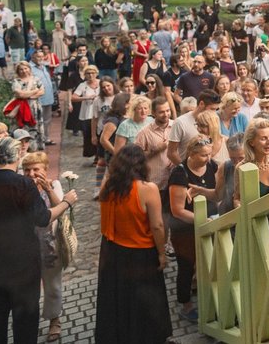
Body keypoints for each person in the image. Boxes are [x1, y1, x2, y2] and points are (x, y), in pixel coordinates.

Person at [0, 137, 77, 344]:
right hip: (24, 263)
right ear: (15, 157)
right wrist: (66, 202)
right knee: (25, 318)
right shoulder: (22, 184)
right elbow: (42, 218)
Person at [96, 144, 172, 343]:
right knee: (144, 301)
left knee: (116, 298)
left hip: (111, 251)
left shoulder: (107, 187)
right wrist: (162, 253)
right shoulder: (147, 189)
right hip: (140, 253)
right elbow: (157, 225)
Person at [168, 135, 219, 321]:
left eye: (210, 154)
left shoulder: (212, 166)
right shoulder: (179, 174)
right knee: (186, 265)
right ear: (191, 153)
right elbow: (177, 210)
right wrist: (202, 219)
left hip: (209, 221)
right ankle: (185, 305)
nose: (208, 158)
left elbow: (217, 193)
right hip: (185, 230)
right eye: (204, 155)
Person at [20, 152, 67, 342]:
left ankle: (54, 320)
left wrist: (48, 190)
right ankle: (27, 321)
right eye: (27, 170)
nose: (31, 173)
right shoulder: (20, 188)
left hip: (49, 243)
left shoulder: (54, 185)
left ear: (45, 170)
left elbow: (61, 208)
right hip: (25, 245)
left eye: (35, 169)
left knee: (52, 285)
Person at [233, 119, 269, 233]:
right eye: (263, 138)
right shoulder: (242, 167)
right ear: (251, 142)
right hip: (259, 229)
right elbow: (237, 199)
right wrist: (242, 210)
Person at [10, 61, 46, 150]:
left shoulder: (36, 79)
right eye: (21, 69)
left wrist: (26, 95)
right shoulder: (16, 81)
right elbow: (19, 94)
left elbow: (42, 91)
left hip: (34, 107)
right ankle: (22, 148)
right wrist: (34, 91)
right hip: (21, 108)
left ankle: (35, 148)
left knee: (35, 128)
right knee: (22, 128)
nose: (24, 71)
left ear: (29, 69)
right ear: (18, 71)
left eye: (26, 68)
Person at [72, 65, 102, 160]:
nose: (90, 75)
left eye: (92, 73)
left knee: (100, 133)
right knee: (89, 134)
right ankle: (94, 155)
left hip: (100, 113)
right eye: (88, 73)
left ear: (96, 73)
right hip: (88, 113)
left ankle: (100, 155)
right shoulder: (83, 85)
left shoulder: (101, 83)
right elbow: (73, 97)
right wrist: (86, 98)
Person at [30, 50, 57, 146]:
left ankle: (46, 138)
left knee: (47, 120)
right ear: (33, 57)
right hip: (38, 99)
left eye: (42, 56)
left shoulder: (43, 67)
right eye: (38, 57)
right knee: (37, 121)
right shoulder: (30, 68)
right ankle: (37, 140)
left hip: (48, 98)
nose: (41, 58)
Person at [215, 133, 245, 214]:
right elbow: (217, 195)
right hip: (227, 217)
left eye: (241, 158)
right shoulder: (225, 166)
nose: (237, 164)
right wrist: (201, 190)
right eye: (233, 159)